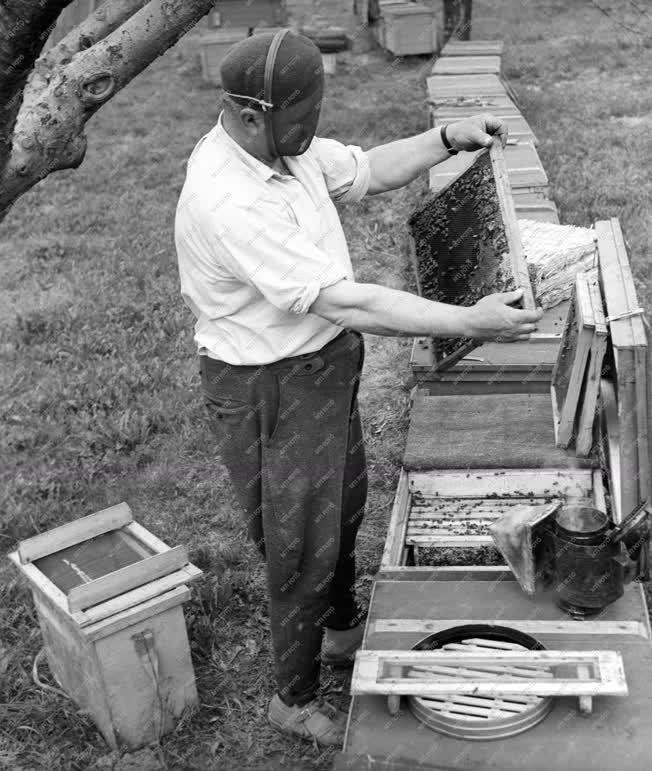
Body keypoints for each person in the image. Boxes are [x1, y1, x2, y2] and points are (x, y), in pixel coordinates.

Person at [174, 30, 542, 747]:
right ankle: (294, 693)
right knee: (299, 539)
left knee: (341, 506)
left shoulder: (281, 144)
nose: (311, 134)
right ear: (252, 114)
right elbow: (351, 302)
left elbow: (366, 168)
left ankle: (341, 629)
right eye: (299, 121)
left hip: (320, 367)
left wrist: (445, 136)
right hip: (268, 386)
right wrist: (470, 319)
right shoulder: (230, 199)